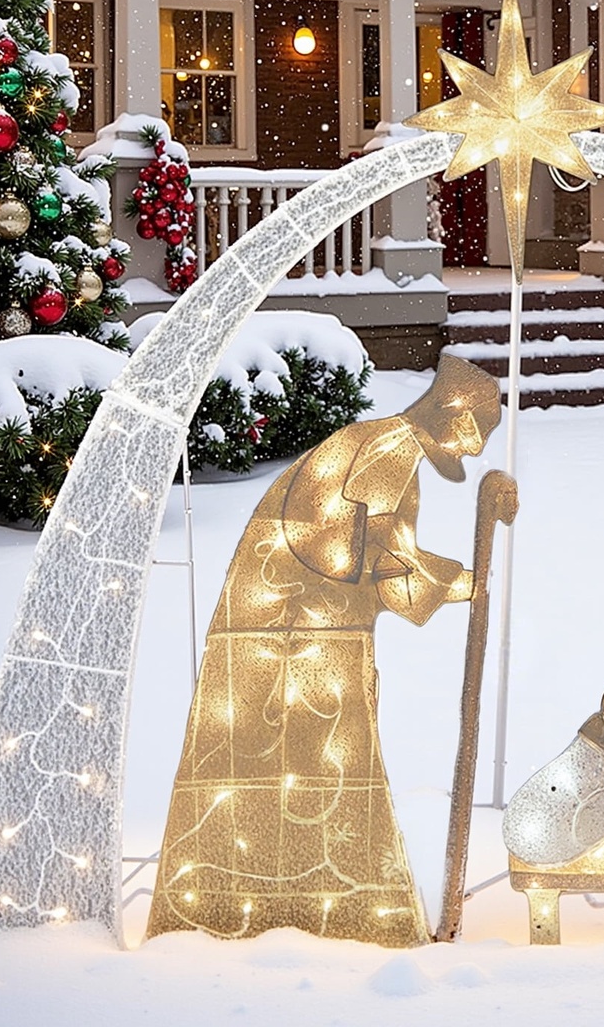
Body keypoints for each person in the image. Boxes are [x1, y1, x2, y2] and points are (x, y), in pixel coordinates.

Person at [146, 355, 502, 946]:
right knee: (313, 760)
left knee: (293, 761)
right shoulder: (388, 454)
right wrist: (464, 582)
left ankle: (284, 885)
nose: (468, 454)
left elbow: (379, 559)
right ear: (452, 414)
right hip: (293, 630)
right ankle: (314, 897)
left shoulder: (377, 443)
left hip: (299, 623)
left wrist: (453, 581)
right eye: (470, 438)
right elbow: (376, 564)